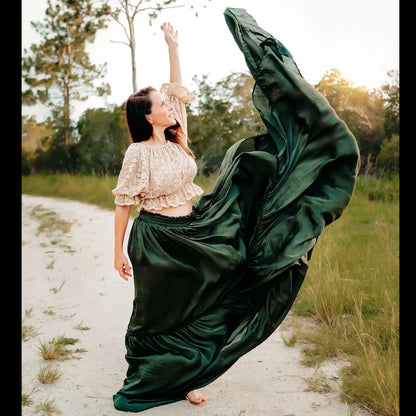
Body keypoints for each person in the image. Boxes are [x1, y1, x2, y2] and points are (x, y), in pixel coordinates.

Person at [112, 8, 360, 413]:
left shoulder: (177, 139)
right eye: (161, 104)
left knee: (212, 291)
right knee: (157, 313)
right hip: (155, 240)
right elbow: (123, 204)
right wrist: (118, 250)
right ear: (147, 116)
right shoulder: (137, 153)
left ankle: (190, 377)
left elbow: (176, 92)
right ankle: (145, 378)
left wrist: (174, 48)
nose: (170, 106)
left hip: (192, 230)